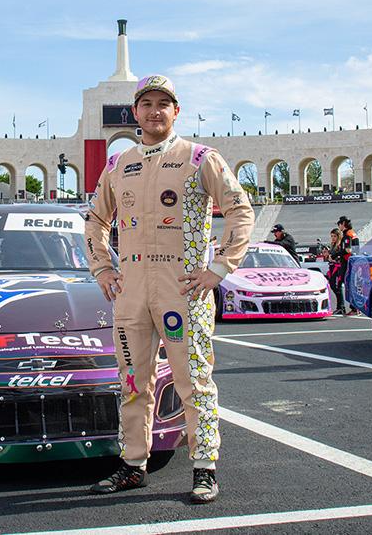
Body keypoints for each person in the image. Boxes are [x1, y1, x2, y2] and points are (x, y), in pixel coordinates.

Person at [84, 74, 255, 504]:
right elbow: (95, 220)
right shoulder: (117, 164)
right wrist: (103, 268)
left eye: (164, 103)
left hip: (185, 290)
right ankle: (133, 464)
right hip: (131, 292)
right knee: (131, 382)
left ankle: (204, 467)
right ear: (135, 112)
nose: (155, 110)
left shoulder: (200, 158)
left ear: (176, 111)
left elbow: (240, 211)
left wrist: (218, 268)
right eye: (147, 103)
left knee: (193, 381)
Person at [334, 216, 360, 315]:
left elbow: (348, 250)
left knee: (347, 284)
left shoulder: (347, 234)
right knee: (351, 284)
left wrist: (336, 254)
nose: (339, 227)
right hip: (354, 261)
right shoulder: (352, 233)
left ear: (343, 223)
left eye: (339, 224)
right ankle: (354, 308)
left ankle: (353, 308)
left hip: (349, 263)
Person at [325, 228, 346, 314]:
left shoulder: (339, 245)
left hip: (337, 268)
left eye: (334, 236)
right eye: (332, 236)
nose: (333, 238)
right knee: (333, 286)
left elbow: (340, 257)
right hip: (332, 268)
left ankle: (341, 307)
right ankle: (339, 306)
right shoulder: (332, 245)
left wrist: (333, 259)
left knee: (337, 287)